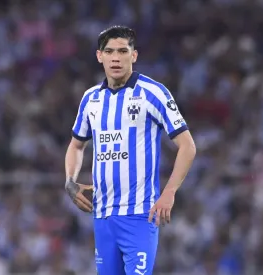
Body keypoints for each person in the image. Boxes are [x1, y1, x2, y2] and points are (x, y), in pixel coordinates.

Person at [64, 25, 196, 275]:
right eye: (110, 51)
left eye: (123, 51)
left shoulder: (152, 93)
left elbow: (187, 146)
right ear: (99, 56)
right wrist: (70, 181)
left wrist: (169, 192)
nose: (116, 57)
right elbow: (76, 145)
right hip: (102, 215)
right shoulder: (91, 98)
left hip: (139, 215)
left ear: (134, 55)